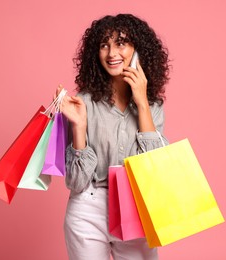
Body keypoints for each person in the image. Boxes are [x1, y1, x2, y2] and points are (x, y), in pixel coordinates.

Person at [56, 13, 170, 260]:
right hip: (89, 206)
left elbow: (155, 170)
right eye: (104, 45)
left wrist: (141, 102)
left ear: (138, 50)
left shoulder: (152, 106)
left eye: (121, 43)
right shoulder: (83, 102)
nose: (111, 53)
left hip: (136, 207)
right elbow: (75, 183)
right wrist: (78, 126)